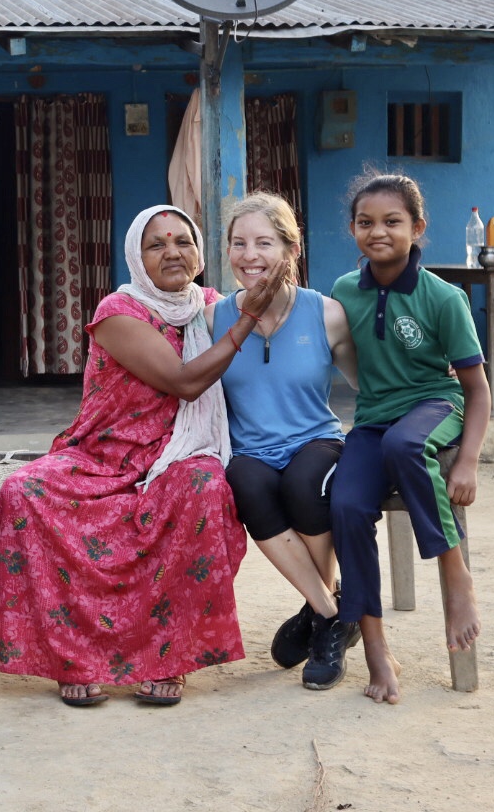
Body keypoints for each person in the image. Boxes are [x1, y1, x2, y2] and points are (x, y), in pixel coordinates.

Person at [0, 204, 290, 707]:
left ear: (199, 253)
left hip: (182, 451)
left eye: (182, 241)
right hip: (105, 454)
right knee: (24, 490)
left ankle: (170, 658)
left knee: (205, 489)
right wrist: (250, 316)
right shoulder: (118, 312)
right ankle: (72, 658)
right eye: (156, 244)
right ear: (135, 257)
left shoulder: (213, 308)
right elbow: (186, 383)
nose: (172, 251)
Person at [329, 172, 489, 704]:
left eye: (392, 222)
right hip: (374, 416)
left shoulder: (444, 298)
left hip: (434, 404)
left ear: (417, 228)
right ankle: (375, 644)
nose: (378, 232)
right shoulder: (344, 291)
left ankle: (454, 571)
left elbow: (478, 389)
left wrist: (466, 461)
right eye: (366, 222)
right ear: (353, 229)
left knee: (405, 446)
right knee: (347, 504)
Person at [205, 192, 359, 690]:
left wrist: (433, 379)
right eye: (239, 243)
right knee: (244, 483)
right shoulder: (212, 320)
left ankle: (318, 618)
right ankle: (331, 613)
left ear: (291, 248)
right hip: (250, 450)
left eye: (264, 242)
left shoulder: (326, 313)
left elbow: (372, 385)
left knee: (304, 481)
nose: (250, 255)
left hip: (315, 441)